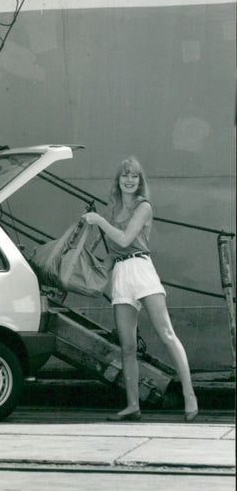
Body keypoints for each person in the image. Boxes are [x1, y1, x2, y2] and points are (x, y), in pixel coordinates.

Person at [81, 156, 198, 422]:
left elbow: (123, 239)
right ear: (118, 180)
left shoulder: (143, 207)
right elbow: (112, 254)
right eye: (125, 175)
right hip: (121, 274)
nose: (129, 180)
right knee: (128, 346)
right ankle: (133, 405)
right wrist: (92, 274)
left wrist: (98, 221)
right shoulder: (112, 212)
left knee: (167, 333)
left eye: (134, 176)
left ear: (140, 181)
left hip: (141, 269)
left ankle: (190, 395)